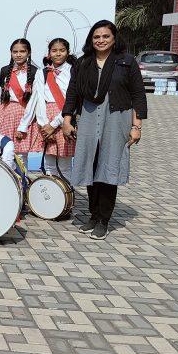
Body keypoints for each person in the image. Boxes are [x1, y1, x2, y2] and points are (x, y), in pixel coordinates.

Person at [62, 20, 146, 241]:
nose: (101, 40)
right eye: (96, 37)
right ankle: (93, 215)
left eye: (106, 36)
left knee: (108, 168)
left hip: (116, 117)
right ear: (91, 39)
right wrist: (67, 120)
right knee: (91, 166)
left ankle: (104, 220)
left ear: (114, 38)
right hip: (89, 117)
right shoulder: (83, 63)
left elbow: (138, 94)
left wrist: (136, 126)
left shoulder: (126, 62)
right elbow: (72, 92)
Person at [23, 37, 76, 178]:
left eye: (62, 50)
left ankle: (66, 191)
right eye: (54, 50)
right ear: (49, 53)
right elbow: (39, 99)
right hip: (46, 119)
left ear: (68, 52)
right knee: (49, 163)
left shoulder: (73, 71)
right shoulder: (42, 72)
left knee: (64, 164)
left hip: (65, 118)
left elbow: (73, 100)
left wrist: (54, 124)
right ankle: (52, 191)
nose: (58, 53)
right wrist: (44, 124)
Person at [0, 38, 40, 169]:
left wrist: (24, 125)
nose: (18, 54)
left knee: (21, 154)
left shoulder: (35, 72)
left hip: (24, 115)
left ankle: (22, 179)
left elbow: (35, 99)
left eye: (22, 51)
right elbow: (0, 94)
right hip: (5, 115)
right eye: (15, 52)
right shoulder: (4, 70)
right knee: (5, 151)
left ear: (29, 53)